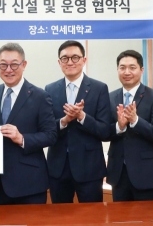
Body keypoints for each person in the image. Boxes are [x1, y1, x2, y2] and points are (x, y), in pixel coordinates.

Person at [0, 43, 57, 205]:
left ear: (24, 65)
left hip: (30, 183)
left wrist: (22, 138)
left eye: (14, 64)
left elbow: (51, 135)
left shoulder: (40, 96)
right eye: (3, 64)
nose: (9, 69)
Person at [45, 40, 111, 203]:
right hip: (58, 168)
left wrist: (82, 117)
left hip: (89, 168)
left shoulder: (99, 88)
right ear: (59, 62)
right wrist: (65, 120)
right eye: (65, 58)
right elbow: (46, 130)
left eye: (75, 57)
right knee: (59, 219)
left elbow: (105, 131)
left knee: (92, 218)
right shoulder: (49, 89)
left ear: (84, 60)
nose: (70, 62)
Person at [106, 50, 153, 202]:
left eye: (132, 67)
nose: (127, 72)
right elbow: (104, 132)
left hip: (146, 172)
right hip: (118, 173)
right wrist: (119, 126)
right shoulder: (110, 97)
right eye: (122, 67)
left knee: (148, 220)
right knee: (120, 220)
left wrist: (136, 121)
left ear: (141, 70)